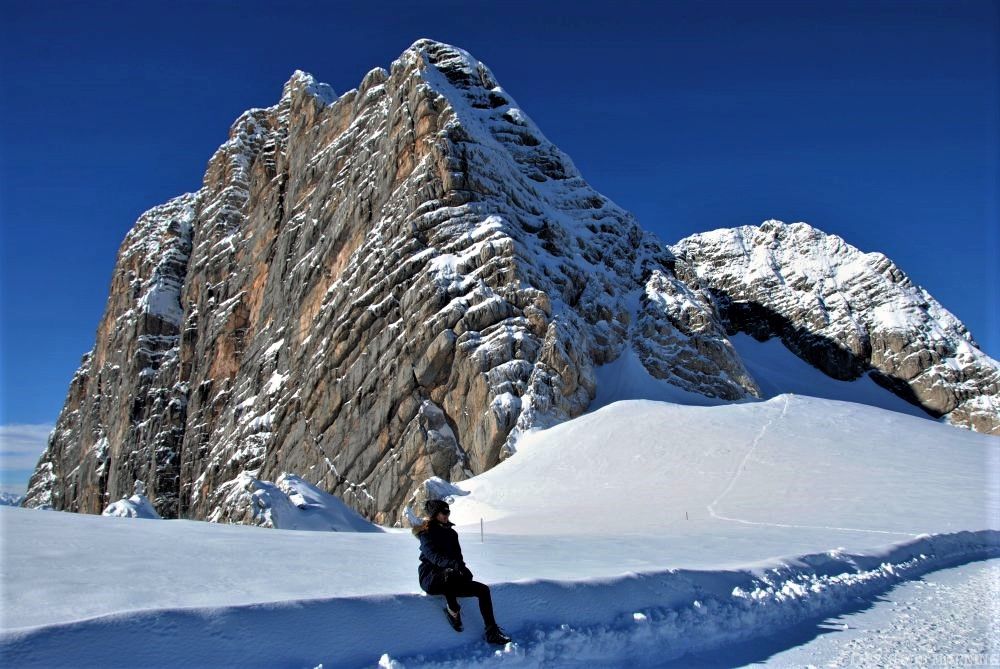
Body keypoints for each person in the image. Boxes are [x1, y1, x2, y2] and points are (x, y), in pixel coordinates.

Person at [413, 498, 511, 645]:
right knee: (449, 575)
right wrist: (453, 565)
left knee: (483, 590)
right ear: (434, 514)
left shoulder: (452, 534)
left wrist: (464, 570)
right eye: (443, 512)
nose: (447, 514)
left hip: (451, 576)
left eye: (448, 511)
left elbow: (458, 558)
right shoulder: (426, 533)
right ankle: (453, 610)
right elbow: (434, 557)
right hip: (431, 577)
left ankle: (492, 632)